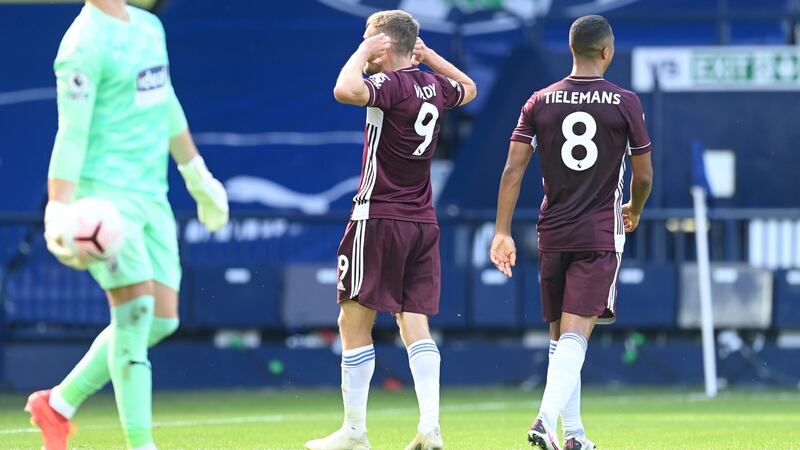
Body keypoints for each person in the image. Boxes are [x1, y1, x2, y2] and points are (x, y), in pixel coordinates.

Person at [24, 1, 229, 449]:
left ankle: (57, 404)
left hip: (151, 195)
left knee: (163, 319)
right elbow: (71, 132)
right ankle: (142, 444)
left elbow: (166, 102)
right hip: (103, 202)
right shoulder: (82, 44)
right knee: (135, 315)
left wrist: (197, 175)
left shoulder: (150, 27)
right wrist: (58, 207)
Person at [304, 9, 476, 450]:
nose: (364, 44)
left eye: (369, 37)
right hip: (422, 219)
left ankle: (355, 432)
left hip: (378, 215)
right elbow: (469, 89)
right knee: (413, 320)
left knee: (353, 317)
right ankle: (431, 426)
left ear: (384, 42)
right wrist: (432, 56)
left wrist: (363, 51)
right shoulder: (434, 86)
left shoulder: (391, 85)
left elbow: (344, 88)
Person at [490, 15, 653, 450]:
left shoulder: (539, 101)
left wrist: (501, 231)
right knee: (577, 335)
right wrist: (634, 209)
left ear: (571, 49)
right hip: (598, 232)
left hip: (553, 232)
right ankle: (545, 420)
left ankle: (575, 435)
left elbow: (512, 170)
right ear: (607, 51)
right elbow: (644, 175)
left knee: (560, 338)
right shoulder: (624, 102)